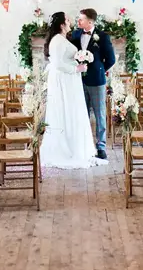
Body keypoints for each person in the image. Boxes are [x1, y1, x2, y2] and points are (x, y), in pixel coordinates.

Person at [40, 12, 108, 169]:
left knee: (73, 113)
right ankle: (67, 150)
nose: (71, 22)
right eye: (68, 19)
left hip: (70, 81)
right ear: (62, 24)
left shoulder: (63, 38)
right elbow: (57, 64)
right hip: (64, 83)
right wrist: (76, 68)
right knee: (66, 113)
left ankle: (74, 146)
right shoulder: (57, 40)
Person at [70, 8, 115, 160]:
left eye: (81, 19)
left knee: (100, 114)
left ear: (90, 21)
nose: (78, 21)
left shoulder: (102, 36)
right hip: (78, 81)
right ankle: (83, 144)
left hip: (97, 81)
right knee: (82, 113)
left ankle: (101, 146)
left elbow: (111, 59)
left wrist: (100, 70)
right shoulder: (75, 34)